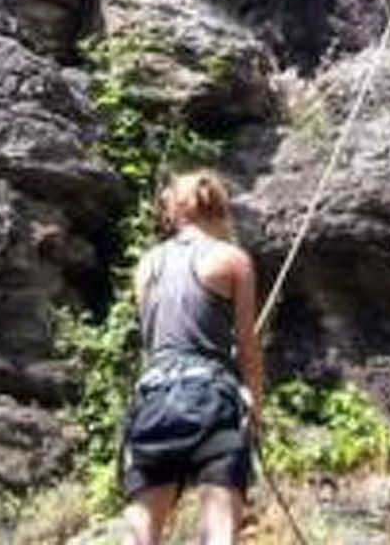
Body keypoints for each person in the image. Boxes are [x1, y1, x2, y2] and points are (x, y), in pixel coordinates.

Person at [118, 171, 267, 545]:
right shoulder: (232, 260)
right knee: (219, 535)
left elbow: (155, 340)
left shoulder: (146, 265)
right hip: (212, 399)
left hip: (154, 401)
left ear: (175, 210)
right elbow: (247, 346)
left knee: (141, 535)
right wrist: (255, 406)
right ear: (218, 207)